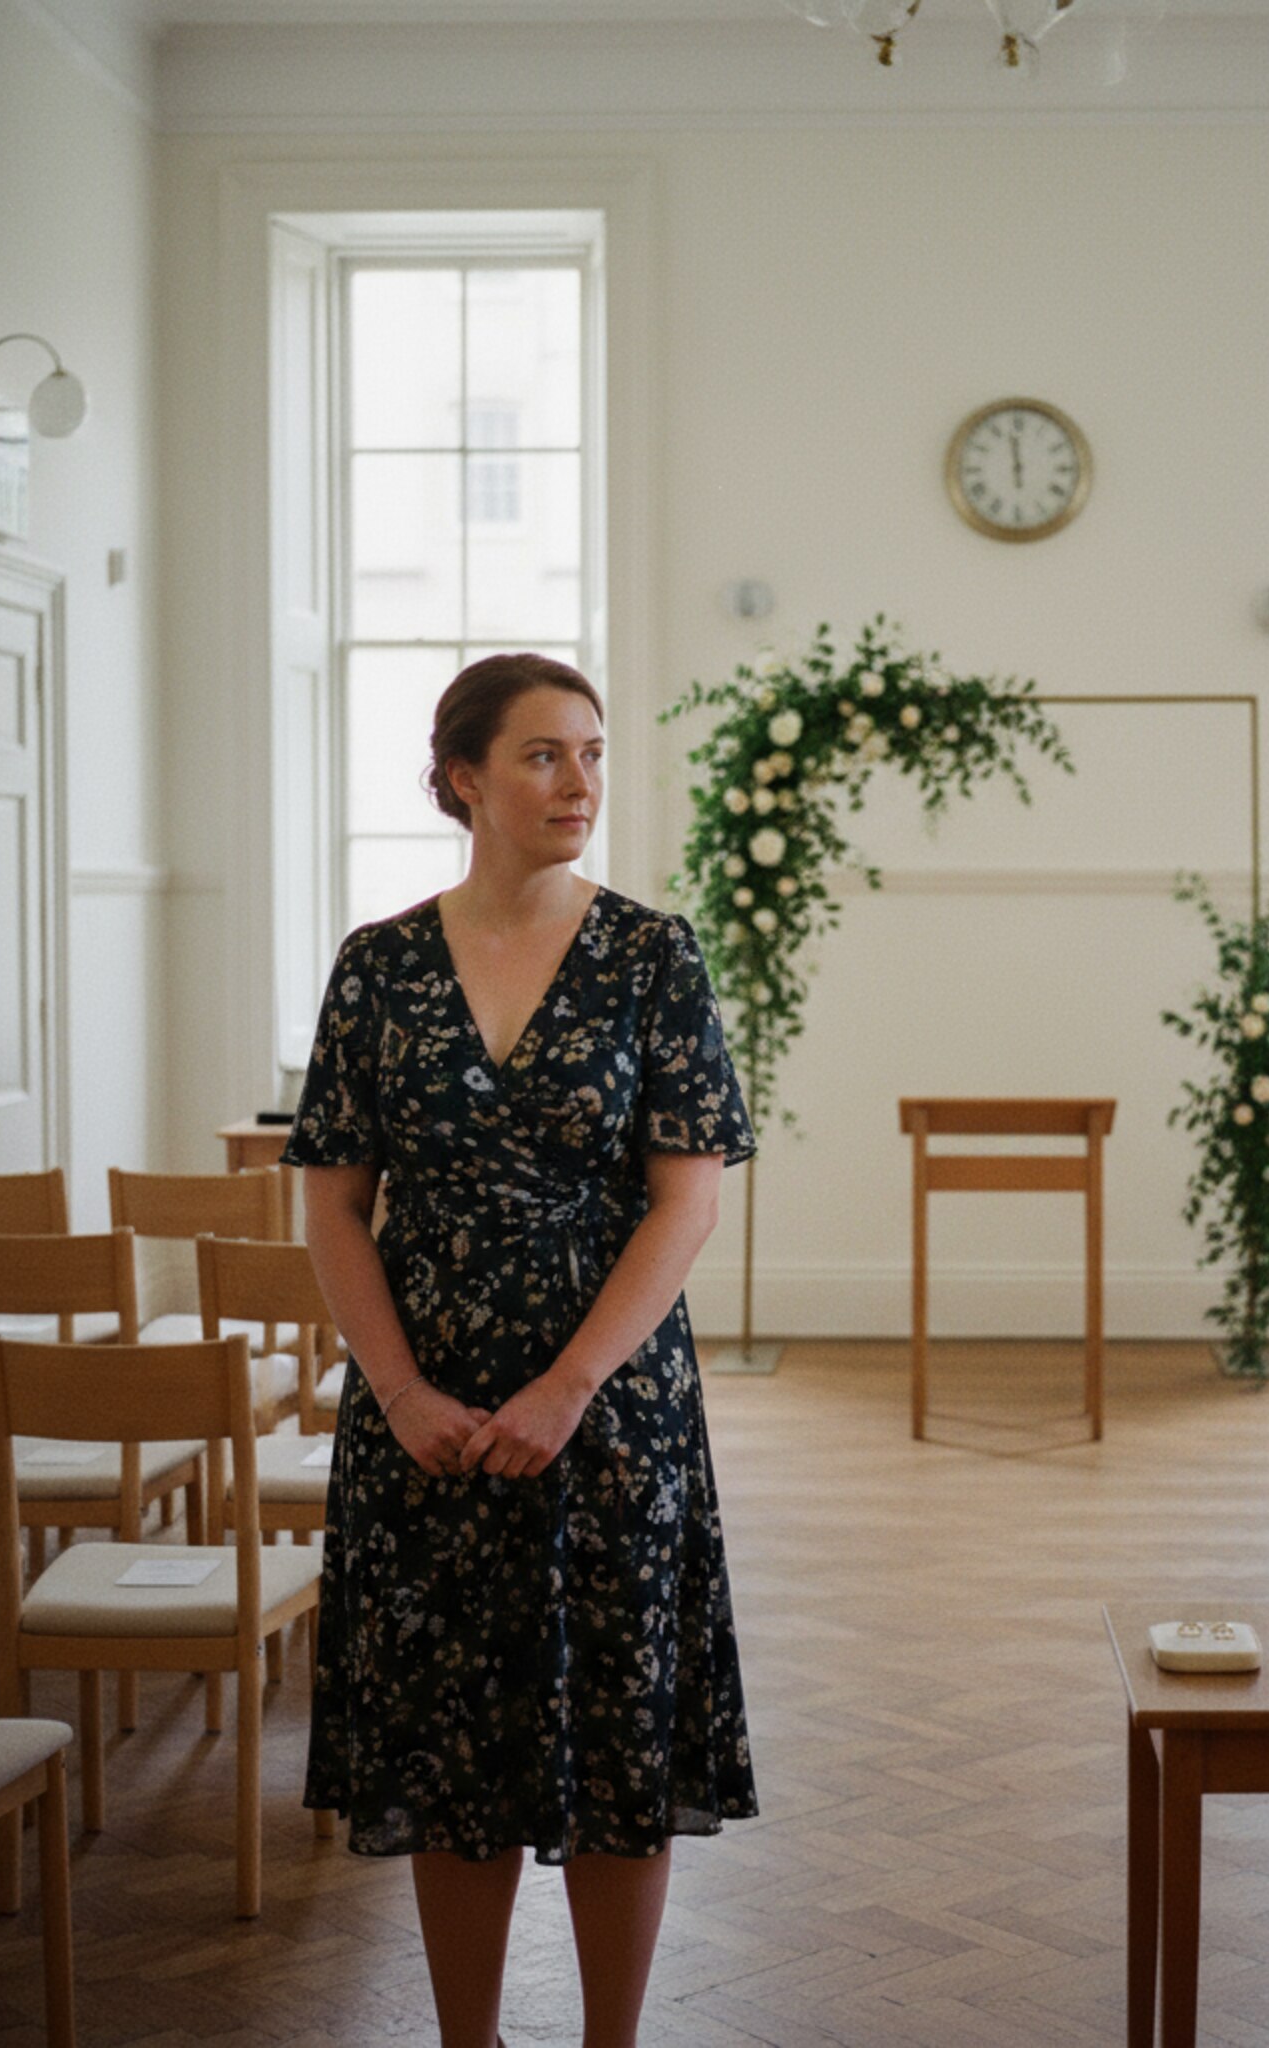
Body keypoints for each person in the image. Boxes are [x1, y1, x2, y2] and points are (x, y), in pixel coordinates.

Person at [284, 652, 757, 2048]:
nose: (579, 783)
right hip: (423, 1415)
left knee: (618, 1733)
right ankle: (467, 2041)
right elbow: (331, 1205)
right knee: (449, 1744)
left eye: (594, 755)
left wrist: (566, 1387)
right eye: (546, 755)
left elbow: (692, 1195)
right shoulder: (376, 965)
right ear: (463, 777)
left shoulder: (652, 952)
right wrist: (402, 1391)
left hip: (610, 1412)